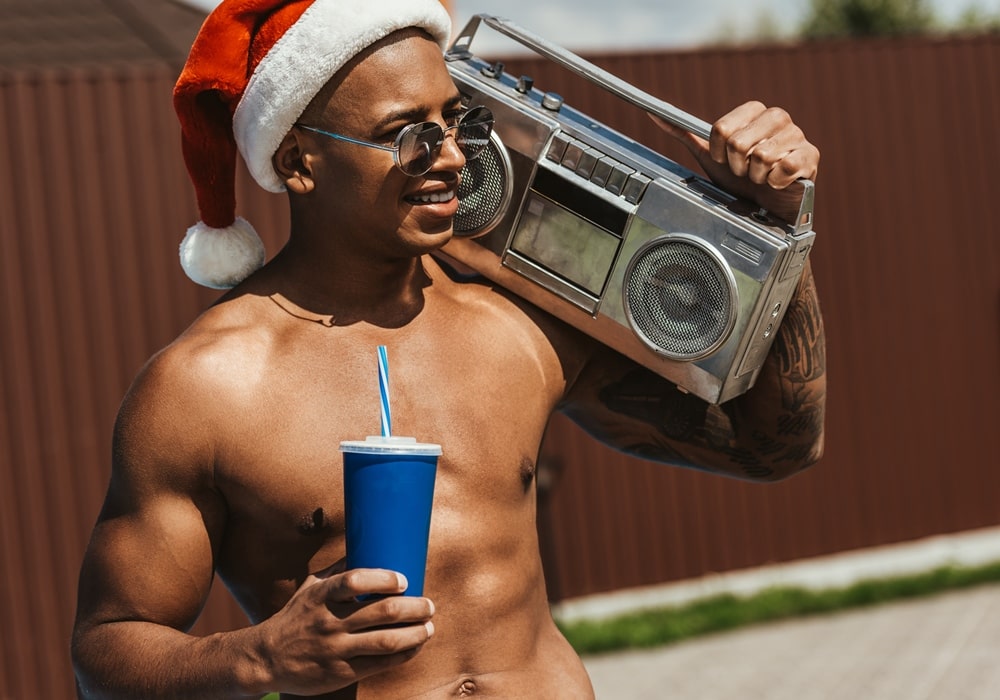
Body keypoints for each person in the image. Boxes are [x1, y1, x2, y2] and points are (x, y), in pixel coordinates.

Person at [71, 0, 826, 697]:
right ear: (301, 161)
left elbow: (773, 448)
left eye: (458, 124)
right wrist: (259, 657)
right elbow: (105, 652)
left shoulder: (514, 321)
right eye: (409, 136)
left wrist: (778, 230)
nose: (455, 159)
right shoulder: (205, 386)